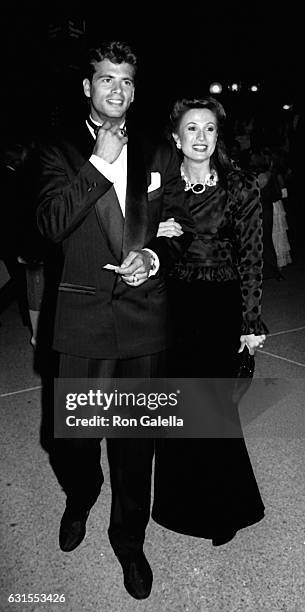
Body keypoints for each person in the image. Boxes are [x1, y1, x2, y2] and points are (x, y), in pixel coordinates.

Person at [36, 41, 193, 600]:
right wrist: (99, 162)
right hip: (81, 316)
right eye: (106, 80)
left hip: (144, 315)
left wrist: (152, 256)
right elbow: (51, 225)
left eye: (126, 81)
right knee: (71, 439)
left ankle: (129, 539)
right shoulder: (57, 150)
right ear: (88, 86)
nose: (117, 91)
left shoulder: (156, 150)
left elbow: (181, 221)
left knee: (136, 443)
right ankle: (82, 494)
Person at [152, 97, 267, 545]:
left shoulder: (239, 187)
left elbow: (254, 258)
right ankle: (179, 507)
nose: (201, 137)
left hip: (220, 304)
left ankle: (225, 509)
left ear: (218, 136)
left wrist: (250, 321)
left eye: (210, 129)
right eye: (192, 129)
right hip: (173, 304)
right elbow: (132, 233)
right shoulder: (160, 189)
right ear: (176, 137)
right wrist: (151, 233)